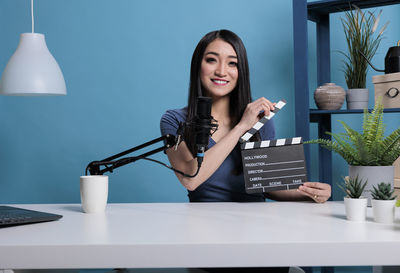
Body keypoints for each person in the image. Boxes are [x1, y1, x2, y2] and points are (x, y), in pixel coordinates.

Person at [160, 29, 331, 205]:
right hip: (204, 223)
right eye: (211, 60)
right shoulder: (174, 120)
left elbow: (267, 186)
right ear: (198, 65)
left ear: (241, 71)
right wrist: (241, 127)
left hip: (255, 222)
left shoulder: (260, 119)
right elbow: (190, 180)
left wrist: (310, 193)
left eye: (232, 63)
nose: (221, 71)